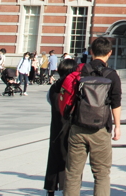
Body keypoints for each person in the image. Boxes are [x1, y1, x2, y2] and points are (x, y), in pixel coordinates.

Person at [64, 37, 123, 196]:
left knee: (73, 172)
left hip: (77, 126)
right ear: (110, 53)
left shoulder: (79, 71)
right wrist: (117, 126)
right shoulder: (112, 75)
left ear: (91, 51)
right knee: (101, 174)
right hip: (101, 128)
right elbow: (116, 103)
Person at [45, 59, 77, 196]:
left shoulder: (54, 87)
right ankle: (67, 188)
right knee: (70, 159)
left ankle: (51, 189)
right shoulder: (74, 87)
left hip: (56, 126)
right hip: (71, 127)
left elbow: (49, 100)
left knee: (53, 157)